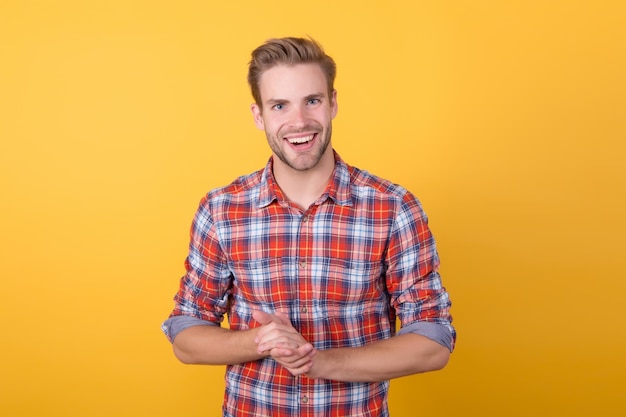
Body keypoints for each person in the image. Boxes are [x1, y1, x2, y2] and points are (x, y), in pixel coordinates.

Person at [162, 36, 455, 417]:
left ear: (333, 103)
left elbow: (433, 340)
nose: (299, 122)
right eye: (279, 105)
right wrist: (261, 341)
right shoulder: (221, 209)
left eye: (312, 101)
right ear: (258, 115)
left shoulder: (393, 207)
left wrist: (318, 362)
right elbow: (185, 336)